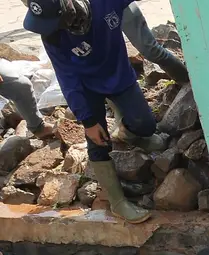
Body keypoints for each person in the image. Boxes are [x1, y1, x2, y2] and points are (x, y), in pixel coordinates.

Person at [24, 0, 170, 224]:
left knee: (147, 126)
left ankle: (127, 133)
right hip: (86, 87)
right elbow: (67, 79)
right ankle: (118, 203)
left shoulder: (104, 3)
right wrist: (88, 121)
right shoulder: (51, 33)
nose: (47, 28)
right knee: (98, 142)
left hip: (119, 74)